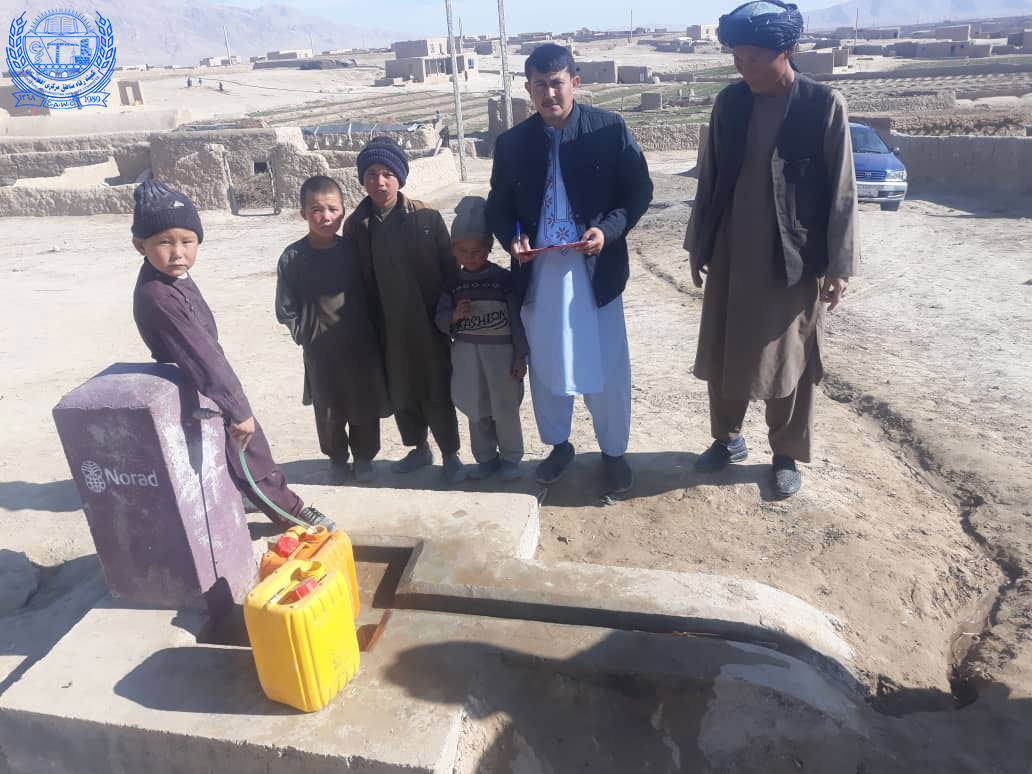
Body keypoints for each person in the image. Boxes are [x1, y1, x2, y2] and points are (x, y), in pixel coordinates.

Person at [683, 0, 859, 498]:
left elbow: (843, 191)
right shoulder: (730, 103)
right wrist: (698, 244)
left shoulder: (822, 105)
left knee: (790, 358)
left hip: (793, 256)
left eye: (755, 58)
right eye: (737, 58)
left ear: (789, 50)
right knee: (724, 349)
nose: (745, 69)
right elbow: (710, 177)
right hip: (732, 252)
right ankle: (727, 438)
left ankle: (785, 452)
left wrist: (838, 267)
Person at [485, 43, 653, 494]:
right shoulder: (512, 143)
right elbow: (498, 206)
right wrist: (513, 237)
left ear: (575, 83)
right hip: (539, 277)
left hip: (595, 274)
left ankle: (613, 453)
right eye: (539, 85)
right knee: (547, 365)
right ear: (528, 88)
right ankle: (558, 446)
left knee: (607, 365)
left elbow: (638, 192)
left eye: (557, 83)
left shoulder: (608, 129)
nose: (549, 93)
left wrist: (608, 231)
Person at [131, 180, 331, 529]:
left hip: (205, 383)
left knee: (228, 455)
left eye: (187, 242)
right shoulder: (159, 296)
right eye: (164, 242)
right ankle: (291, 513)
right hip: (204, 386)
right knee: (249, 450)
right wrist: (237, 409)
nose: (178, 252)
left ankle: (250, 498)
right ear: (140, 245)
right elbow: (201, 354)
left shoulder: (170, 279)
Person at [342, 137, 466, 484]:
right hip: (386, 326)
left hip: (428, 322)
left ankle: (450, 454)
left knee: (435, 387)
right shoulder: (356, 226)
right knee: (401, 389)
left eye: (385, 173)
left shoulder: (425, 217)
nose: (378, 182)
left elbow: (449, 268)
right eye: (370, 174)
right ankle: (419, 448)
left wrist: (451, 313)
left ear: (399, 177)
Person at [275, 175, 391, 482]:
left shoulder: (354, 250)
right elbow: (285, 307)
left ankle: (365, 457)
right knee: (329, 410)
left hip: (360, 347)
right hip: (320, 353)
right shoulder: (293, 258)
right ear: (303, 213)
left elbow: (373, 292)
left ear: (342, 211)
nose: (326, 217)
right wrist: (304, 333)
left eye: (332, 209)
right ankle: (337, 458)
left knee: (363, 405)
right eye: (316, 209)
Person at [435, 196, 528, 481]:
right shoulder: (452, 284)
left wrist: (520, 356)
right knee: (476, 410)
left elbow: (516, 320)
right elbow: (439, 317)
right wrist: (452, 318)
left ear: (489, 248)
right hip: (466, 358)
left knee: (505, 410)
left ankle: (511, 458)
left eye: (477, 250)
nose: (470, 256)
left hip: (501, 359)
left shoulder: (502, 280)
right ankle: (485, 458)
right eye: (463, 250)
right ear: (454, 250)